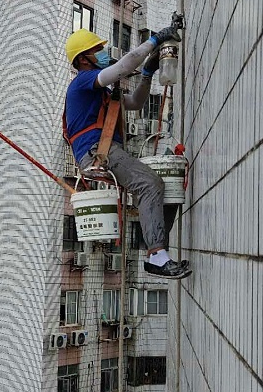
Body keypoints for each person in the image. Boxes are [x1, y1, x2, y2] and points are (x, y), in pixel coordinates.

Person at [63, 26, 190, 279]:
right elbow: (122, 67)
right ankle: (156, 256)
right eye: (96, 50)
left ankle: (158, 250)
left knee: (159, 186)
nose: (102, 52)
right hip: (97, 150)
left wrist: (146, 74)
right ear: (83, 59)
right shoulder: (82, 82)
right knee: (149, 184)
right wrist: (155, 40)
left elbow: (135, 103)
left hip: (103, 150)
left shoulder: (102, 92)